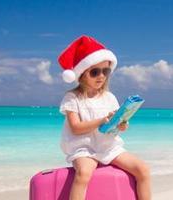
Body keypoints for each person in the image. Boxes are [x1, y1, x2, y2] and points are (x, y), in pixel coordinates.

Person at [58, 35, 151, 200]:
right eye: (94, 72)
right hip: (84, 149)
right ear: (81, 74)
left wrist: (121, 125)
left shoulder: (110, 97)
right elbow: (76, 128)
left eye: (105, 71)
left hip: (108, 147)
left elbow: (114, 128)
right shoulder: (72, 98)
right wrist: (101, 120)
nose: (101, 76)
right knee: (83, 174)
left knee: (142, 169)